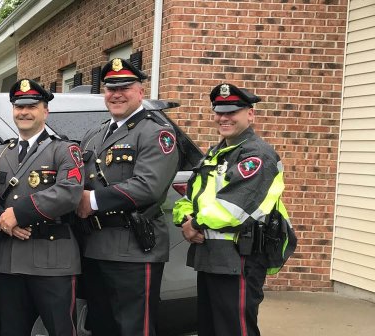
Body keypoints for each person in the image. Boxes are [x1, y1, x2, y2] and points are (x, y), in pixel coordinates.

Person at [173, 83, 295, 336]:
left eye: (232, 111)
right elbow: (191, 195)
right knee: (210, 329)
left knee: (234, 329)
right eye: (219, 111)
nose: (223, 117)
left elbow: (236, 207)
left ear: (250, 114)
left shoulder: (257, 155)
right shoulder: (217, 153)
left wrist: (194, 225)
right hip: (211, 257)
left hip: (239, 259)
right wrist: (184, 217)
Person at [74, 58, 180, 336]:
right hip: (95, 246)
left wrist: (91, 201)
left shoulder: (157, 134)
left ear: (140, 92)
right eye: (110, 88)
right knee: (101, 327)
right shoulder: (94, 134)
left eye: (125, 87)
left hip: (134, 249)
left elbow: (149, 186)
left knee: (135, 329)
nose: (116, 94)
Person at [0, 79, 83, 336]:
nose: (24, 112)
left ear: (45, 111)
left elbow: (69, 192)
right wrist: (2, 218)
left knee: (61, 331)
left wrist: (19, 214)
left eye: (31, 106)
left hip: (53, 259)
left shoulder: (66, 150)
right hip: (10, 260)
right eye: (18, 106)